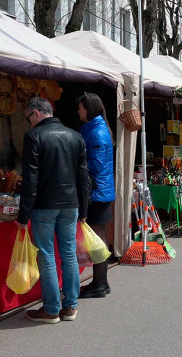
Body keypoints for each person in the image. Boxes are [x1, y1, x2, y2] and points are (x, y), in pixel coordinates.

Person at [17, 97, 90, 323]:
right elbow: (83, 176)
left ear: (37, 113)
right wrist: (84, 208)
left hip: (44, 206)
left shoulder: (34, 136)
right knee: (68, 254)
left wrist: (23, 214)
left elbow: (30, 178)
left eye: (28, 117)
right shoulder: (75, 136)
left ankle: (50, 309)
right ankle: (70, 307)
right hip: (70, 204)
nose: (28, 122)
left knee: (47, 256)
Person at [77, 93, 116, 299]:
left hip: (97, 192)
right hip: (100, 190)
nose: (78, 111)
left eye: (81, 108)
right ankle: (101, 283)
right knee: (98, 236)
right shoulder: (94, 129)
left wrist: (76, 164)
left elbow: (97, 165)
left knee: (97, 238)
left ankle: (100, 284)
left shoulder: (97, 132)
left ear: (89, 109)